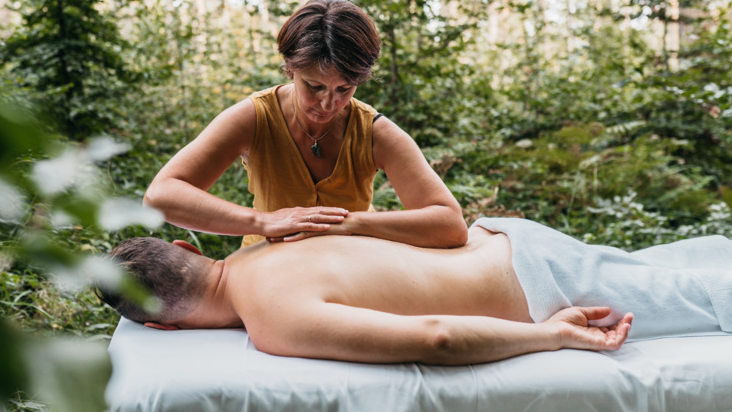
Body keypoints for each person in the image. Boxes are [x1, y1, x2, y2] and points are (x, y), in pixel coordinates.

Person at [100, 217, 732, 366]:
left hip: (539, 284)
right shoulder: (266, 240)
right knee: (690, 279)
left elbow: (436, 337)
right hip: (504, 239)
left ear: (162, 327)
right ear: (187, 248)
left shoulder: (273, 321)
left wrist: (554, 333)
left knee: (712, 301)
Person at [143, 0, 467, 249]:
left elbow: (450, 224)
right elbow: (161, 196)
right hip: (265, 271)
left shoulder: (374, 132)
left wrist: (352, 223)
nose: (329, 104)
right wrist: (264, 222)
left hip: (354, 274)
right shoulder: (254, 118)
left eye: (344, 89)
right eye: (314, 87)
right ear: (290, 69)